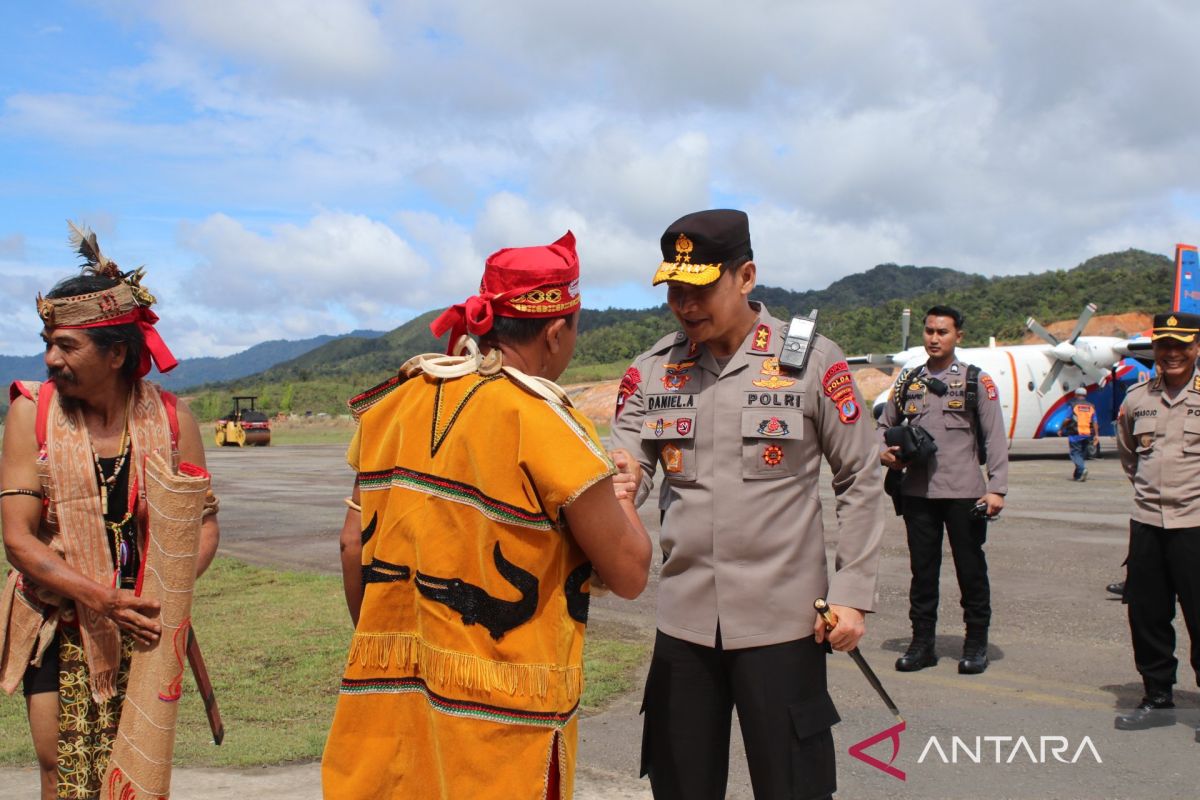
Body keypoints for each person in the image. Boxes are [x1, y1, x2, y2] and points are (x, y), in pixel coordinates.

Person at [321, 232, 652, 799]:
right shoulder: (548, 422)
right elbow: (630, 572)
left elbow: (353, 546)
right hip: (505, 728)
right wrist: (623, 494)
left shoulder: (395, 402)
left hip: (389, 705)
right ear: (555, 331)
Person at [610, 209, 884, 800]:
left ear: (746, 276)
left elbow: (860, 476)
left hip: (783, 623)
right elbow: (628, 470)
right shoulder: (655, 369)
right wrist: (623, 484)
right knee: (680, 784)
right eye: (675, 291)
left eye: (701, 288)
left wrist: (853, 593)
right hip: (683, 624)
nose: (686, 305)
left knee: (794, 786)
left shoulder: (812, 361)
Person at [0, 224, 219, 800]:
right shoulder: (32, 414)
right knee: (59, 770)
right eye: (48, 342)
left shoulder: (174, 420)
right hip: (58, 621)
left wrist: (160, 594)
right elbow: (19, 541)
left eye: (67, 346)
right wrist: (101, 598)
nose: (50, 358)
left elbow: (203, 526)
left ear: (117, 353)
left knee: (139, 772)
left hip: (145, 624)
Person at [878, 305, 1008, 675]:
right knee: (922, 572)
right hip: (918, 492)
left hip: (964, 492)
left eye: (943, 332)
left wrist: (997, 488)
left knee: (971, 571)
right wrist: (883, 452)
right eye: (929, 331)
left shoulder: (975, 382)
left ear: (958, 337)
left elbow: (996, 437)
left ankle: (975, 644)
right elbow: (881, 426)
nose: (934, 338)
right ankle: (922, 645)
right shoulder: (907, 382)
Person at [1113, 311, 1200, 742]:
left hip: (1196, 525)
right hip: (1147, 523)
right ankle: (1157, 697)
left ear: (1196, 347)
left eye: (1181, 345)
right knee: (1147, 615)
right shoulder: (1135, 399)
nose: (1171, 353)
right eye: (1164, 345)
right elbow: (1130, 457)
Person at [1061, 387, 1097, 481]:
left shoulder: (1073, 405)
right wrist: (1097, 435)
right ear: (1085, 395)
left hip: (1075, 433)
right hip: (1088, 434)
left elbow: (1067, 419)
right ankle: (1077, 475)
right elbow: (1095, 422)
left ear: (1075, 395)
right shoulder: (1091, 406)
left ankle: (1082, 469)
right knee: (1081, 455)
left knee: (1075, 453)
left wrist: (1061, 428)